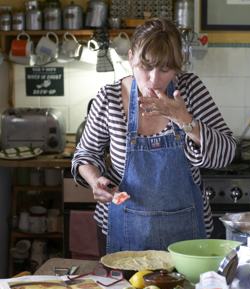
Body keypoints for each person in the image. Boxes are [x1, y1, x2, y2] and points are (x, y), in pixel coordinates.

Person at [71, 18, 236, 256]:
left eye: (165, 69)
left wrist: (184, 120)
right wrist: (95, 180)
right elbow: (85, 154)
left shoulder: (190, 91)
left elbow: (226, 154)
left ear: (177, 67)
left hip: (187, 237)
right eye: (146, 67)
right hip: (122, 230)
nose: (154, 79)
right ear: (130, 58)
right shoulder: (109, 98)